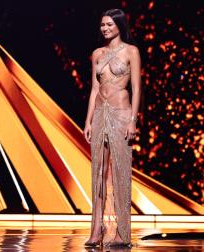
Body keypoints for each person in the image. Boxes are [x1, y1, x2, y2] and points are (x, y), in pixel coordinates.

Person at [83, 9, 141, 247]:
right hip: (99, 114)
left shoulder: (131, 51)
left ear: (119, 25)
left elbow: (136, 88)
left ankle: (121, 232)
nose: (104, 28)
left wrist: (133, 120)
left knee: (120, 173)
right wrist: (87, 120)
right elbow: (94, 90)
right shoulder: (97, 54)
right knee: (97, 173)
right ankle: (97, 229)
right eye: (102, 25)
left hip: (121, 114)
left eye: (108, 24)